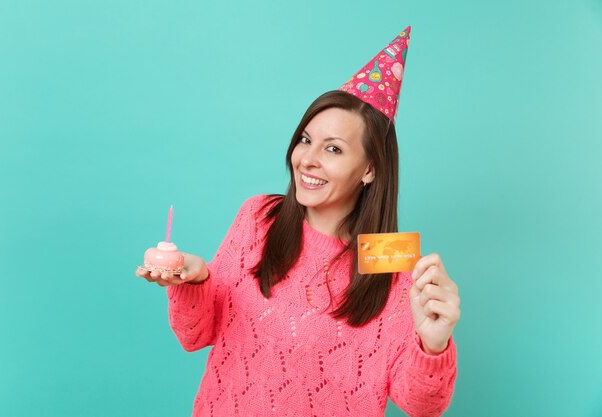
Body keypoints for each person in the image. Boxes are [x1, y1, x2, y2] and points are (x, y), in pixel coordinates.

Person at [136, 26, 460, 417]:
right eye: (306, 140)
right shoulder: (259, 218)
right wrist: (197, 281)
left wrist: (434, 343)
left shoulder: (393, 265)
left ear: (370, 169)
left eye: (334, 149)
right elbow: (195, 335)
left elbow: (422, 405)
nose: (307, 159)